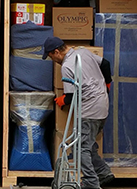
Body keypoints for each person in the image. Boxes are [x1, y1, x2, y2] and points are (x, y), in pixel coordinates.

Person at [42, 36, 115, 189]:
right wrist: (106, 85)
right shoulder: (83, 52)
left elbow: (70, 97)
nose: (54, 61)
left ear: (56, 52)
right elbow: (106, 64)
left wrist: (62, 100)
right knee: (88, 145)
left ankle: (91, 182)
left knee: (80, 148)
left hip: (89, 111)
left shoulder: (67, 65)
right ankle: (103, 173)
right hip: (102, 106)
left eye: (51, 57)